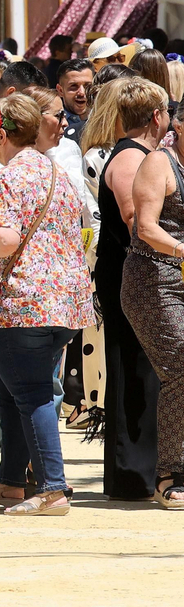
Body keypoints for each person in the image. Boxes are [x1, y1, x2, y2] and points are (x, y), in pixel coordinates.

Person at [0, 93, 94, 516]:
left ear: (1, 133)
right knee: (10, 387)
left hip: (23, 303)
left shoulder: (8, 177)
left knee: (31, 393)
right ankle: (11, 482)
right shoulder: (56, 173)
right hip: (65, 303)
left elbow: (3, 241)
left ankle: (53, 489)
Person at [92, 78, 169, 500]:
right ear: (156, 116)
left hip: (140, 273)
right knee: (131, 369)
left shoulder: (143, 156)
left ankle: (140, 471)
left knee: (144, 369)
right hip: (129, 275)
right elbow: (135, 221)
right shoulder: (129, 159)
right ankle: (131, 475)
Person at [126, 97, 184, 507]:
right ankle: (170, 473)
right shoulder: (158, 164)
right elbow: (145, 227)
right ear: (178, 125)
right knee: (181, 366)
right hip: (154, 280)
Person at [57, 58, 95, 143]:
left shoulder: (104, 120)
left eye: (87, 86)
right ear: (60, 90)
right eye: (74, 86)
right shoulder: (54, 125)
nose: (82, 92)